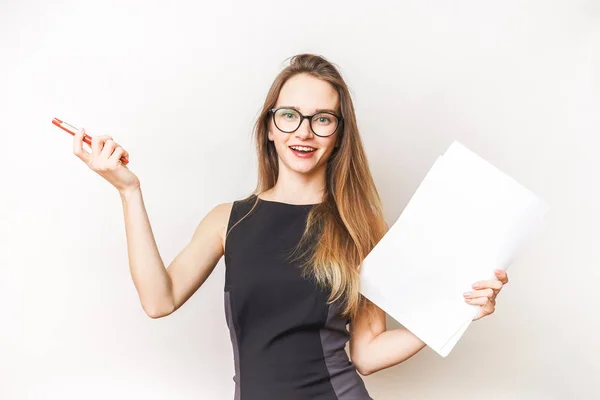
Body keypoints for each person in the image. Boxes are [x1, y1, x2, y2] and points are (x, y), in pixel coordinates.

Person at [72, 53, 509, 399]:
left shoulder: (360, 228)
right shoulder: (228, 220)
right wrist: (129, 192)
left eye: (323, 119)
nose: (304, 131)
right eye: (289, 115)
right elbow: (158, 299)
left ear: (338, 135)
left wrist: (457, 312)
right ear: (269, 127)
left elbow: (367, 353)